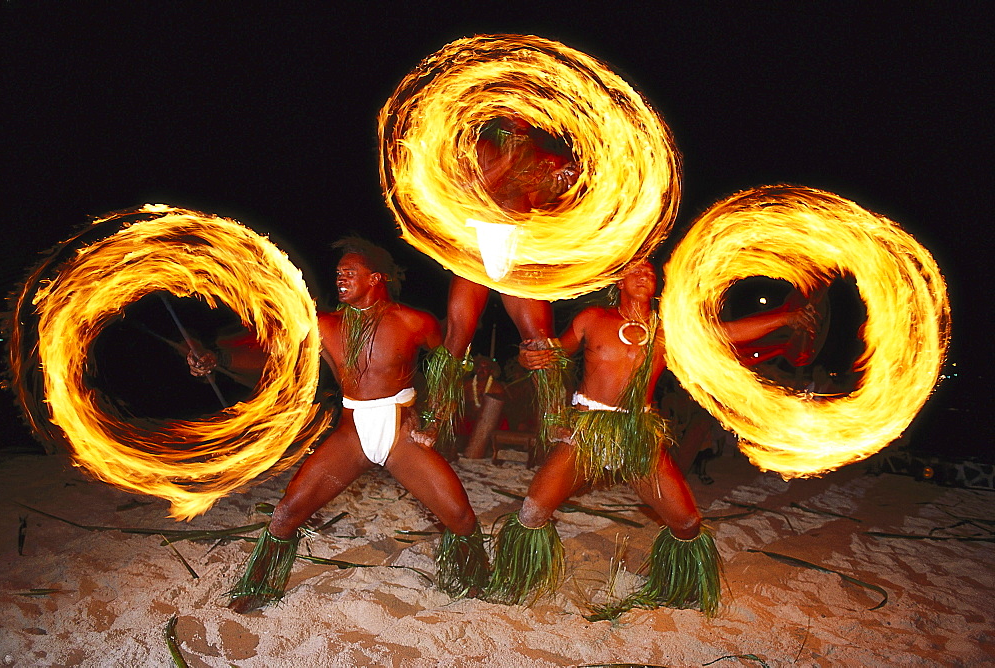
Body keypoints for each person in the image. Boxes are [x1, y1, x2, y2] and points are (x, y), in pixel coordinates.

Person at [486, 259, 818, 616]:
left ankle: (678, 588)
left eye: (650, 272)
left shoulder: (666, 329)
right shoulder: (593, 319)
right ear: (619, 281)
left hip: (637, 434)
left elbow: (727, 332)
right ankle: (515, 580)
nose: (644, 275)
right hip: (586, 431)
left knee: (687, 523)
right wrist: (527, 358)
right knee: (533, 511)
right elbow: (550, 356)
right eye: (635, 270)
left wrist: (785, 318)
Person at [224, 237, 488, 614]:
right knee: (286, 513)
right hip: (351, 435)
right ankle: (259, 585)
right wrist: (219, 356)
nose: (340, 278)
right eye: (338, 273)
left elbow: (448, 366)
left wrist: (431, 418)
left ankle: (473, 580)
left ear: (376, 278)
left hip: (400, 435)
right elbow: (271, 357)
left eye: (350, 272)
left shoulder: (414, 321)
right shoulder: (325, 325)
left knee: (460, 516)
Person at [420, 117, 579, 455]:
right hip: (479, 238)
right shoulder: (479, 148)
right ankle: (434, 417)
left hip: (517, 242)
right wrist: (507, 162)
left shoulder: (541, 156)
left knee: (539, 334)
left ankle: (554, 418)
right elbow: (466, 195)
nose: (521, 120)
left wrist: (558, 183)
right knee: (459, 334)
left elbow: (540, 203)